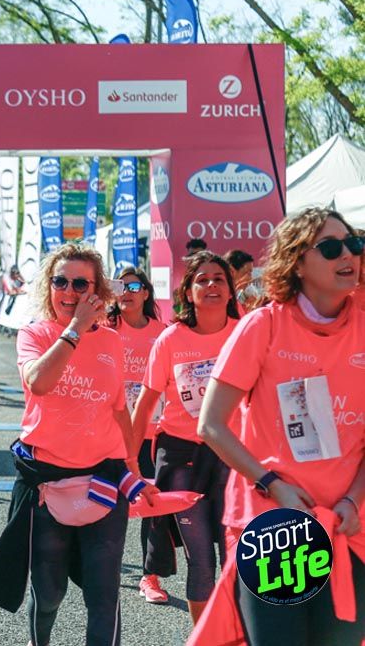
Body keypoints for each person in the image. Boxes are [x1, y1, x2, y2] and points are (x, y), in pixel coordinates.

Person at [196, 208, 365, 645]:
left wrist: (352, 499)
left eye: (354, 244)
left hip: (348, 528)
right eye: (330, 248)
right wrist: (273, 484)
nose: (348, 254)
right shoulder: (264, 326)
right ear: (297, 262)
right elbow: (212, 425)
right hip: (276, 528)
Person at [0, 242, 150, 646]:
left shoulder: (110, 342)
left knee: (104, 594)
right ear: (48, 286)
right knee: (51, 591)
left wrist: (133, 467)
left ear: (98, 292)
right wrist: (73, 330)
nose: (69, 291)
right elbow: (38, 382)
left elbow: (119, 410)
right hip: (47, 482)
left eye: (79, 283)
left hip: (104, 481)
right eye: (60, 281)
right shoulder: (35, 334)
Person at [130, 251, 239, 625]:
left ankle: (239, 633)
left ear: (230, 290)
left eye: (218, 279)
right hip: (181, 457)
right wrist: (129, 465)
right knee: (202, 561)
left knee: (238, 556)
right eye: (202, 280)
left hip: (233, 456)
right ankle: (205, 637)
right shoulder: (171, 339)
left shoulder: (245, 334)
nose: (211, 285)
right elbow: (144, 405)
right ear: (187, 293)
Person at [103, 268, 172, 605]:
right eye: (120, 286)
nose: (126, 291)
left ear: (146, 293)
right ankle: (104, 566)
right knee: (107, 501)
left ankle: (150, 575)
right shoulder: (104, 328)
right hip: (109, 431)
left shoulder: (164, 333)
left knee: (152, 502)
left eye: (134, 285)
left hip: (151, 432)